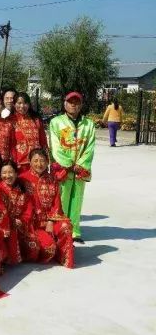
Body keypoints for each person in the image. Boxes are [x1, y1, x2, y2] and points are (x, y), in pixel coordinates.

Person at [48, 91, 96, 243]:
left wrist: (80, 165)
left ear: (81, 105)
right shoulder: (56, 122)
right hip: (63, 169)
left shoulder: (89, 124)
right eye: (70, 102)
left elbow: (90, 147)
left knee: (77, 199)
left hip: (80, 170)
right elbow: (55, 146)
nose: (73, 105)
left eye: (77, 102)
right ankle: (60, 230)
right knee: (61, 199)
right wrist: (68, 164)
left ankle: (74, 231)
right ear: (65, 104)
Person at [19, 149, 75, 268]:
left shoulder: (52, 179)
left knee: (66, 227)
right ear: (29, 161)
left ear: (47, 162)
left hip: (51, 220)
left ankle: (63, 256)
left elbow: (57, 203)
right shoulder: (22, 179)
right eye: (36, 161)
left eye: (42, 161)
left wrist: (51, 220)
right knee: (48, 248)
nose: (39, 164)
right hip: (32, 225)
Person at [0, 160, 39, 265]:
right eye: (4, 173)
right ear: (0, 174)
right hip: (3, 227)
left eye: (10, 172)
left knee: (34, 247)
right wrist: (9, 221)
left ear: (16, 174)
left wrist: (22, 220)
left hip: (21, 226)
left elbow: (28, 210)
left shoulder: (22, 190)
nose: (7, 176)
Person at [12, 92, 48, 172]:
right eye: (19, 103)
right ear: (14, 104)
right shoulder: (10, 121)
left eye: (25, 103)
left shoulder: (36, 119)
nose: (22, 106)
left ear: (29, 104)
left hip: (37, 162)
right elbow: (10, 144)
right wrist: (14, 162)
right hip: (20, 163)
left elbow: (43, 141)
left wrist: (46, 159)